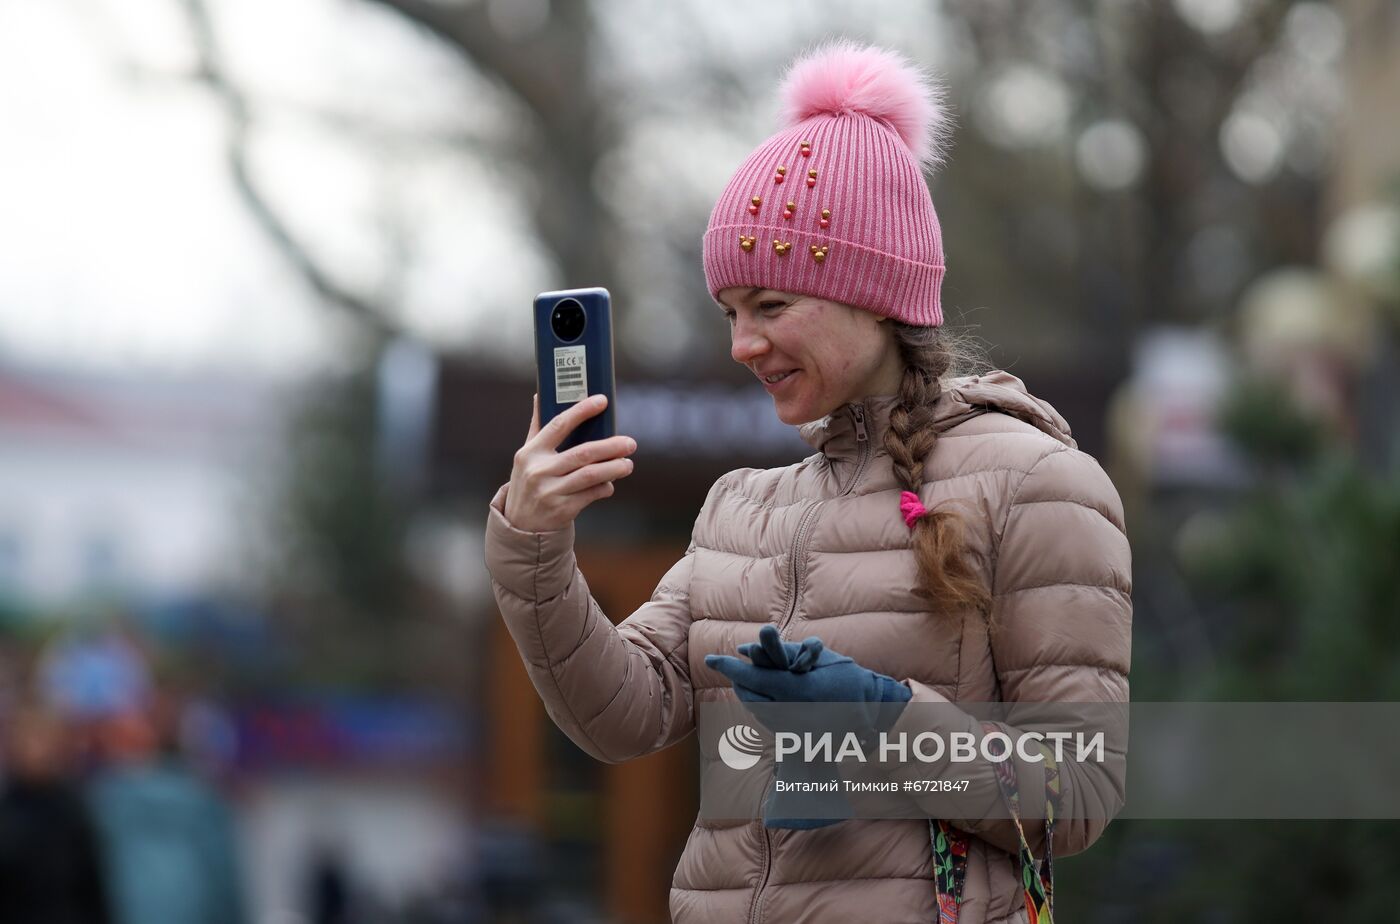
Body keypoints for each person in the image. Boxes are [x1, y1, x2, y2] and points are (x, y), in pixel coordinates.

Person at [483, 39, 1131, 924]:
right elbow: (620, 718)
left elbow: (1079, 791)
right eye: (731, 314)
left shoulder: (1037, 484)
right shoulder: (739, 508)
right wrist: (532, 547)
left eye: (772, 307)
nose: (743, 345)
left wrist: (881, 717)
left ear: (877, 295)